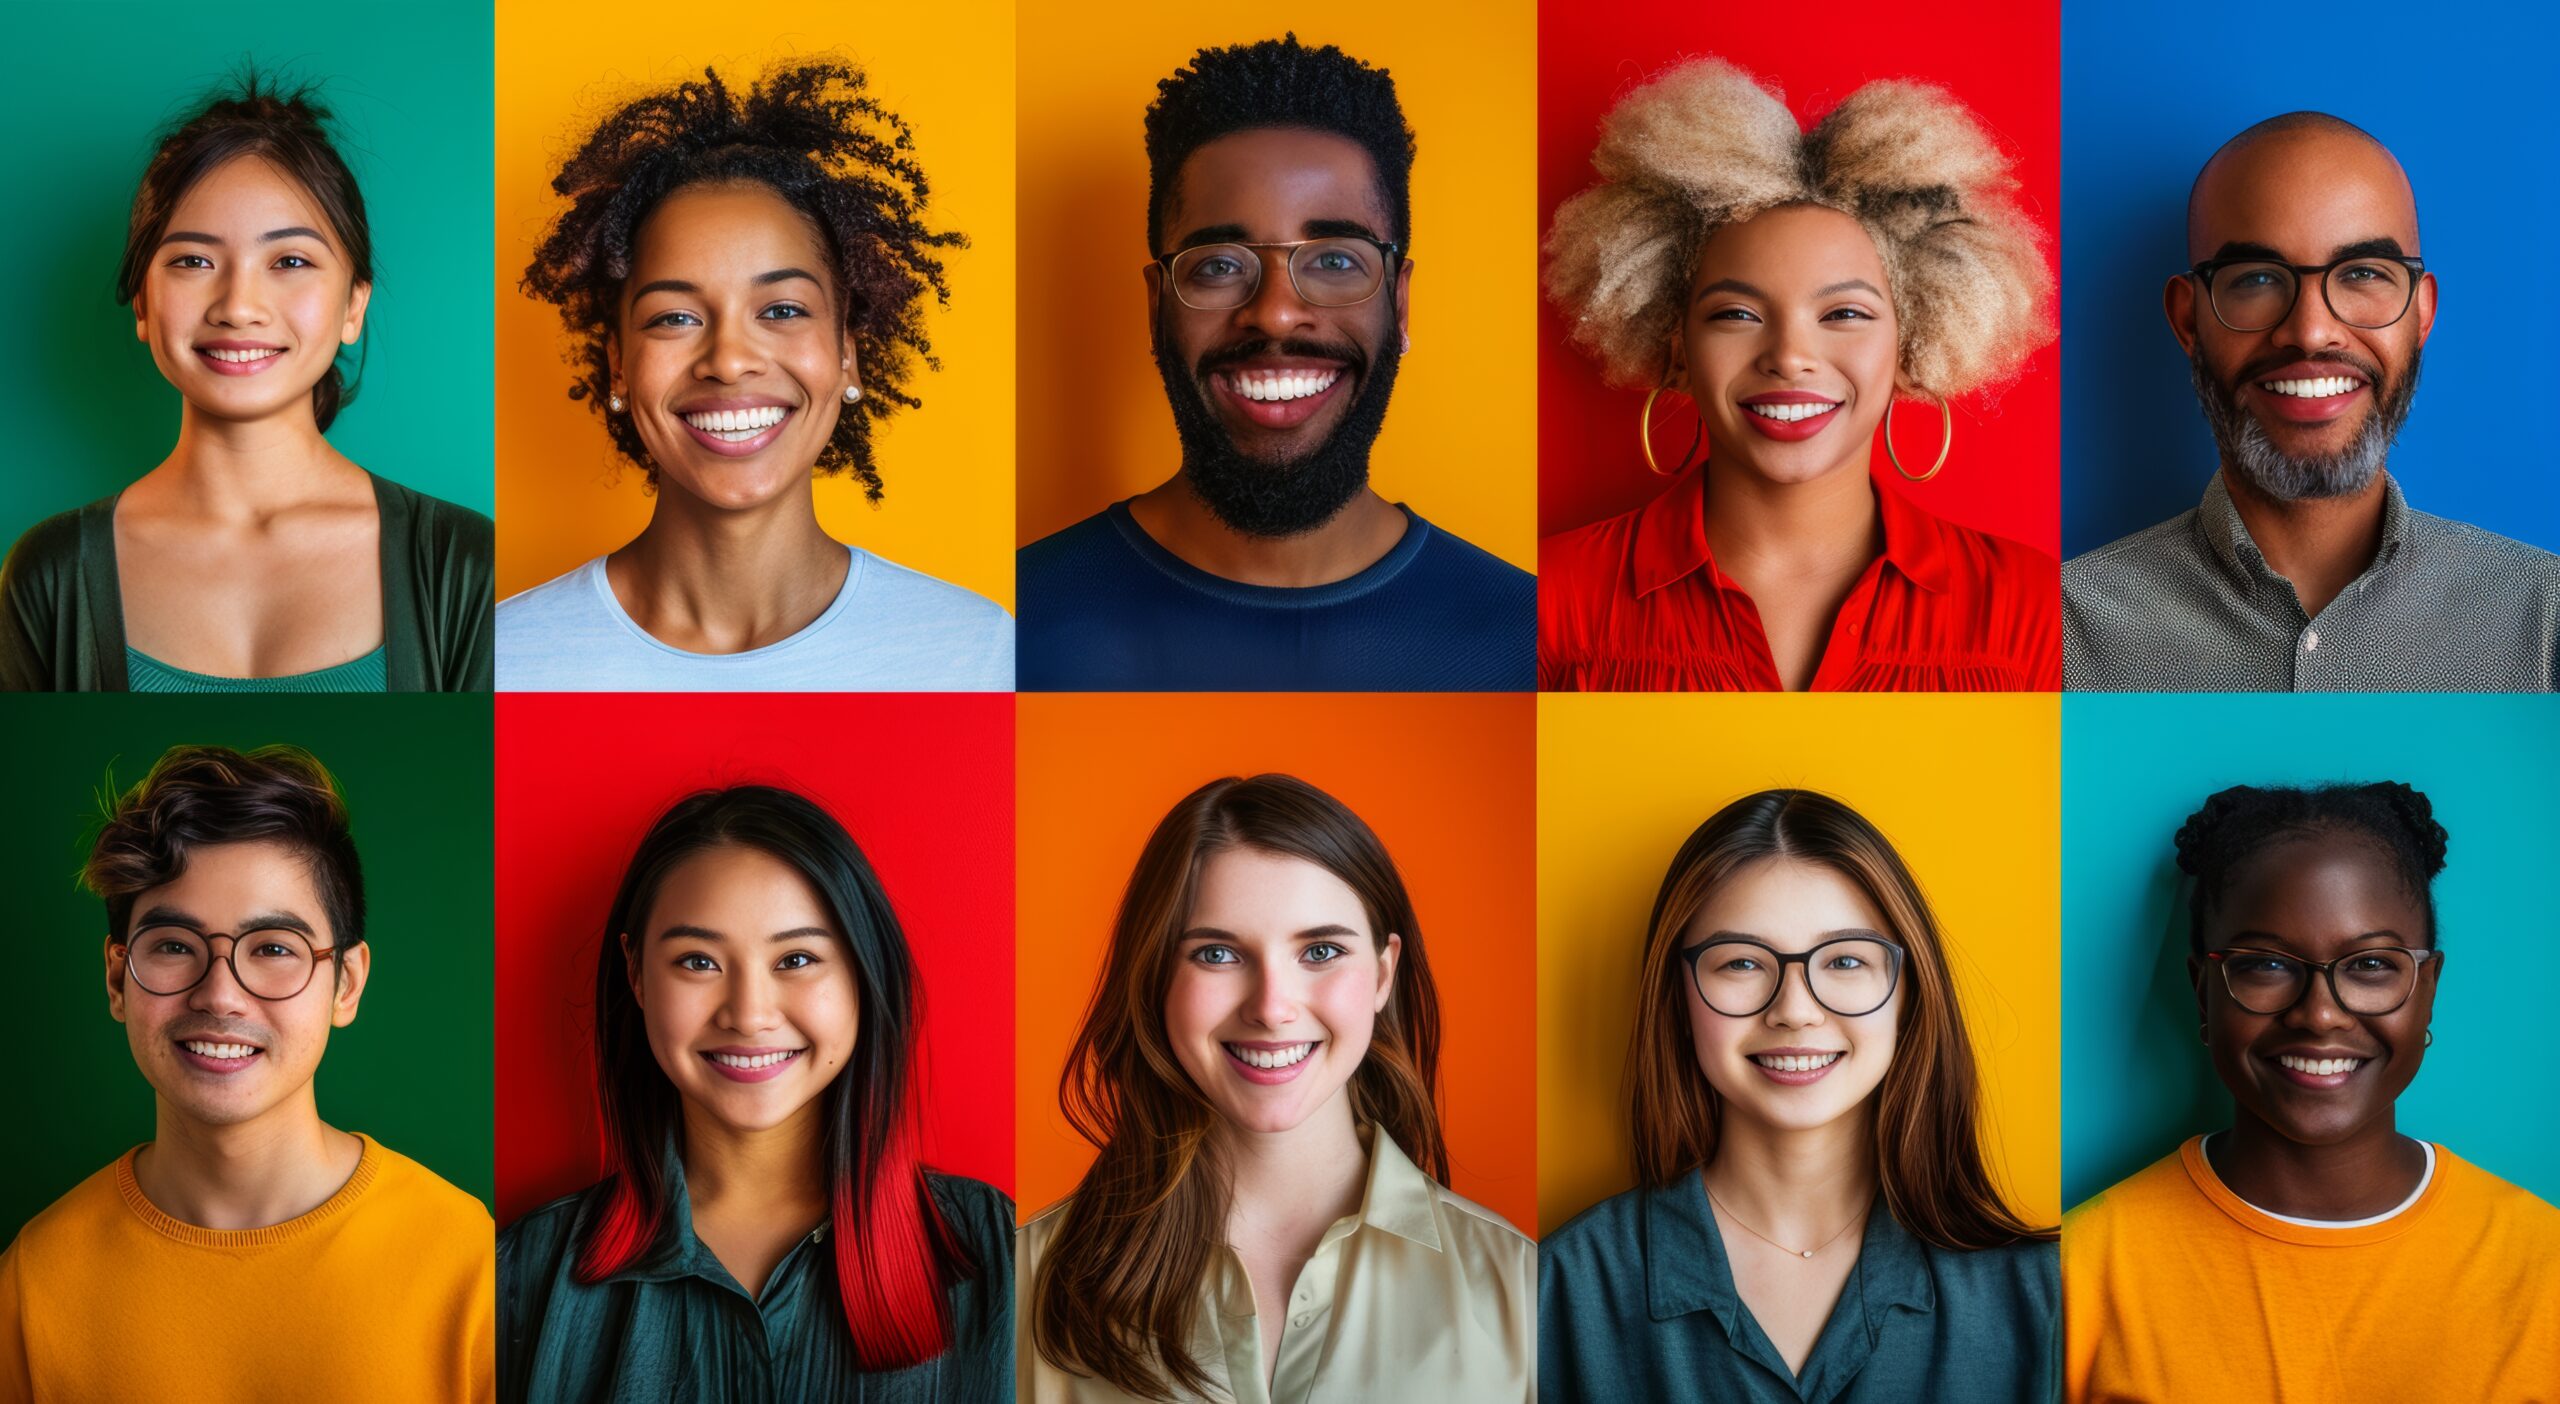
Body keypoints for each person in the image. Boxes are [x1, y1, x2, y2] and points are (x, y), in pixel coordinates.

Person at [1016, 37, 1535, 692]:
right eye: (1220, 266)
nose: (1276, 313)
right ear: (1157, 307)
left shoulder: (1524, 635)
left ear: (1399, 302)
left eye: (1335, 260)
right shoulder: (1013, 626)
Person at [1539, 60, 2058, 692]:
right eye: (1736, 313)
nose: (1789, 356)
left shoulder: (2033, 610)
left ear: (1912, 344)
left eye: (1843, 313)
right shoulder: (1547, 602)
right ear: (1676, 348)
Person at [0, 745, 493, 1400]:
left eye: (273, 949)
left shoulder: (470, 1261)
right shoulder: (32, 1282)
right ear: (118, 978)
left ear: (346, 984)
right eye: (175, 946)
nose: (220, 996)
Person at [499, 62, 1011, 691]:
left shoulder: (976, 651)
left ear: (847, 352)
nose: (730, 359)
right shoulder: (505, 658)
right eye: (675, 317)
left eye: (782, 310)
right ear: (619, 367)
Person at [1020, 775, 1532, 1402]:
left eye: (1319, 951)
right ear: (1155, 977)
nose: (1270, 1008)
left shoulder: (1524, 1287)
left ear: (1381, 973)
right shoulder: (1022, 1281)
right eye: (1216, 955)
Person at [497, 786, 1011, 1402]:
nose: (748, 1014)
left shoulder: (1002, 1253)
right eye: (698, 961)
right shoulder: (522, 1273)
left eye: (795, 959)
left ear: (862, 969)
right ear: (635, 973)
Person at [1540, 790, 2056, 1401]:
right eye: (1740, 964)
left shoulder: (2043, 1300)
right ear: (1677, 998)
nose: (1795, 1010)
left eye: (1843, 961)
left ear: (1909, 995)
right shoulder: (1556, 1291)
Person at [2064, 782, 2560, 1399]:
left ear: (2428, 988)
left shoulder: (2544, 1268)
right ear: (2203, 991)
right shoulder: (2078, 1273)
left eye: (2371, 965)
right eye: (2266, 964)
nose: (2320, 1015)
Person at [0, 76, 493, 691]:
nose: (238, 306)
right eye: (193, 261)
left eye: (290, 261)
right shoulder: (51, 571)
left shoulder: (466, 561)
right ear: (143, 306)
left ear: (353, 307)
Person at [2064, 113, 2560, 690]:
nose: (2311, 331)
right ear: (2188, 319)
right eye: (2255, 278)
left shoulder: (2544, 626)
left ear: (2421, 313)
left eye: (2363, 273)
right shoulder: (2061, 637)